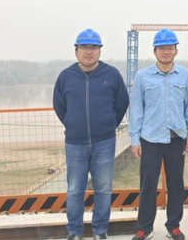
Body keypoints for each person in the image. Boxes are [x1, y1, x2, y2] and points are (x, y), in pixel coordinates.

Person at [53, 28, 130, 240]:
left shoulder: (111, 75)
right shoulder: (66, 77)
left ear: (100, 51)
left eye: (94, 47)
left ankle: (100, 230)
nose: (89, 52)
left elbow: (122, 103)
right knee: (74, 189)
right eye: (84, 47)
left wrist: (109, 125)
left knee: (103, 189)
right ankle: (74, 231)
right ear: (76, 51)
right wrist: (72, 124)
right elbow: (59, 105)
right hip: (75, 143)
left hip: (104, 142)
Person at [128, 29, 188, 240]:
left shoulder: (185, 75)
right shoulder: (143, 76)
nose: (166, 52)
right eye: (162, 48)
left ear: (176, 50)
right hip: (150, 139)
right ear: (155, 51)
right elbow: (136, 109)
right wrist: (135, 139)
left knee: (176, 185)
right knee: (148, 185)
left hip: (176, 138)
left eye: (170, 48)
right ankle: (144, 227)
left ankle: (173, 225)